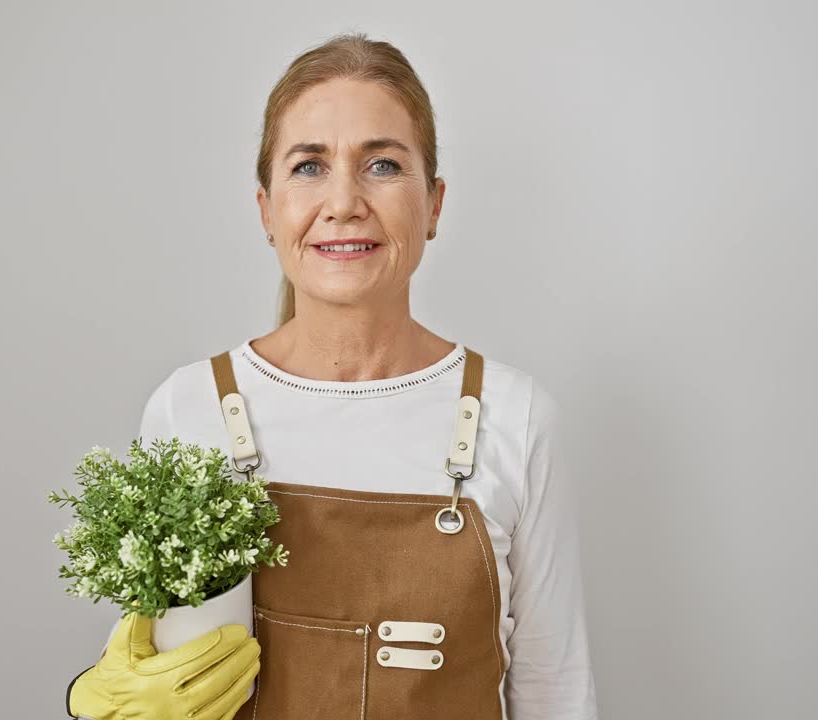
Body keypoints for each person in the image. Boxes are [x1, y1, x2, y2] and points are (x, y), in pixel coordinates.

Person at [66, 31, 598, 720]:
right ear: (267, 209)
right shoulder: (188, 408)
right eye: (309, 167)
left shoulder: (518, 418)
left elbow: (558, 693)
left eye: (381, 165)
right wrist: (94, 702)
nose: (343, 201)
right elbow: (153, 677)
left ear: (433, 204)